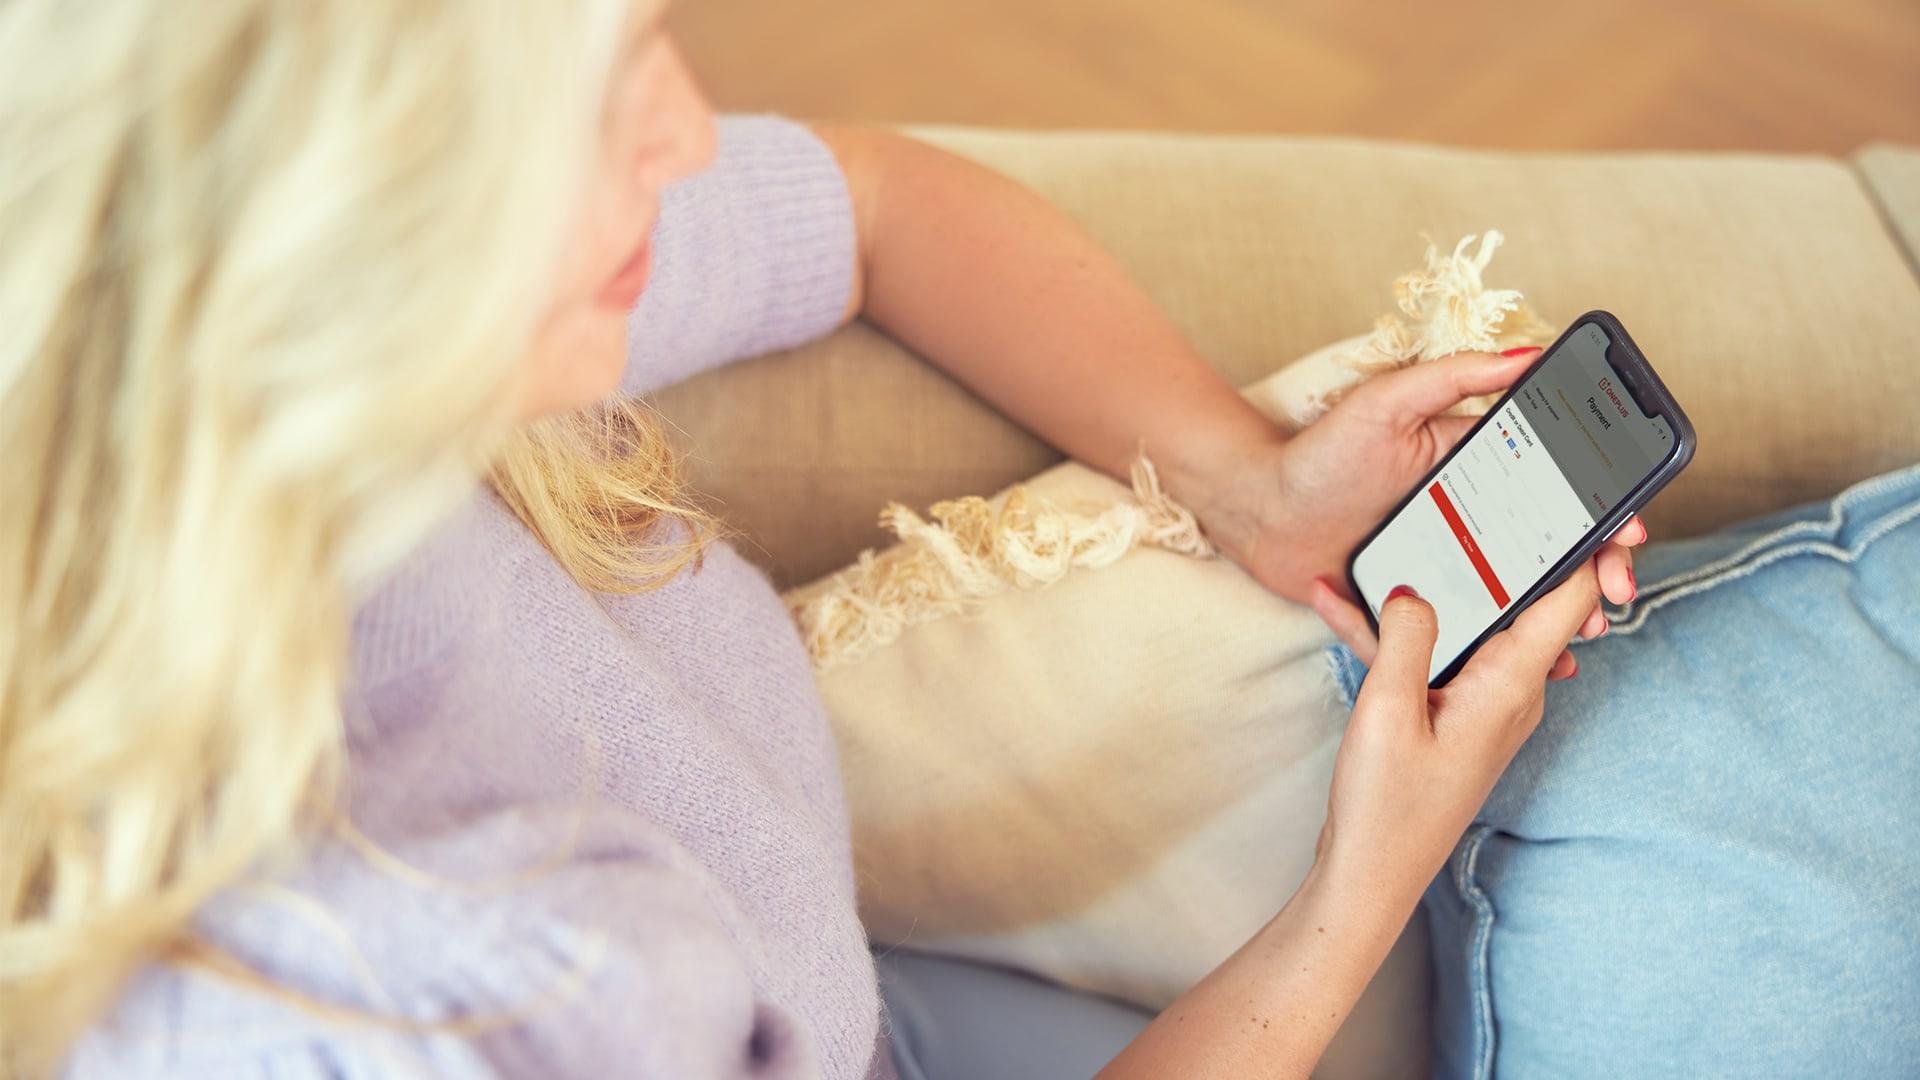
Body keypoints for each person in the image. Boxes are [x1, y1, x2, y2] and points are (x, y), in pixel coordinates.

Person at [21, 1, 1833, 1076]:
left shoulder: (265, 364)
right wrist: (1360, 886)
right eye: (572, 99)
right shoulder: (462, 980)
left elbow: (872, 204)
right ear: (299, 217)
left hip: (870, 987)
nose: (679, 126)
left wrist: (1246, 483)